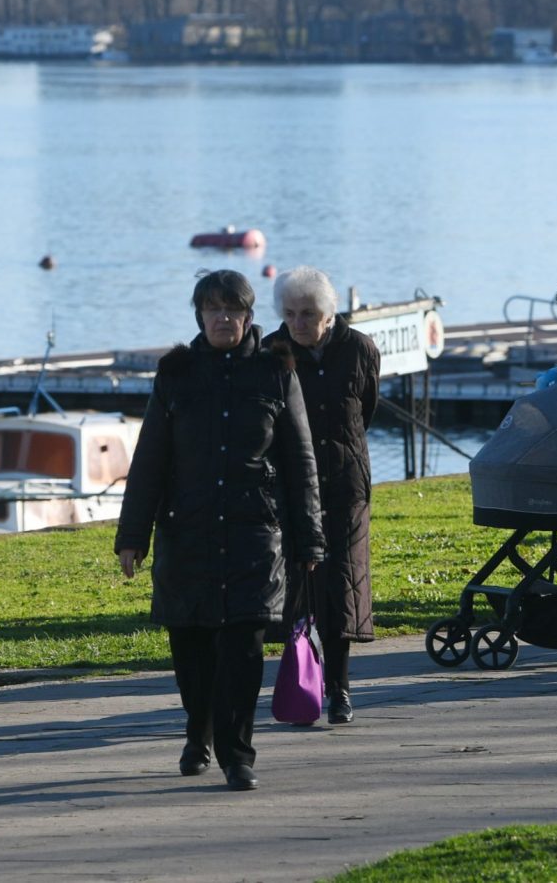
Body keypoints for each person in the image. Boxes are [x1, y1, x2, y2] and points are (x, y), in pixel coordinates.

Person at [117, 270, 324, 790]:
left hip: (255, 535)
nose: (223, 318)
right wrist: (132, 535)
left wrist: (310, 537)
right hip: (187, 534)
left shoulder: (276, 372)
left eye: (233, 310)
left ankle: (238, 753)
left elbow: (301, 461)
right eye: (213, 310)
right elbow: (149, 461)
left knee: (242, 649)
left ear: (249, 317)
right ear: (200, 316)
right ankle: (198, 732)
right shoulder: (177, 374)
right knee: (191, 648)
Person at [264, 267, 381, 727]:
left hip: (345, 483)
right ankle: (302, 683)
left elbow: (364, 409)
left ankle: (341, 689)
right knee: (299, 588)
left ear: (329, 315)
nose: (297, 323)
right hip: (292, 487)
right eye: (290, 313)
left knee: (342, 589)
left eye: (308, 314)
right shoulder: (272, 352)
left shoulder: (360, 350)